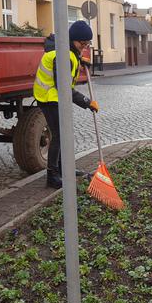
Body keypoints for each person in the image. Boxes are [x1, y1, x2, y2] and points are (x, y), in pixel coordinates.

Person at [33, 20, 100, 189]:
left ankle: (64, 169)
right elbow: (63, 88)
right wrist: (86, 102)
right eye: (81, 44)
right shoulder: (63, 57)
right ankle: (52, 175)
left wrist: (80, 60)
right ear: (72, 40)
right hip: (50, 97)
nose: (83, 47)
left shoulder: (67, 50)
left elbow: (70, 61)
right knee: (59, 135)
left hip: (54, 96)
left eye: (86, 44)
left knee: (63, 133)